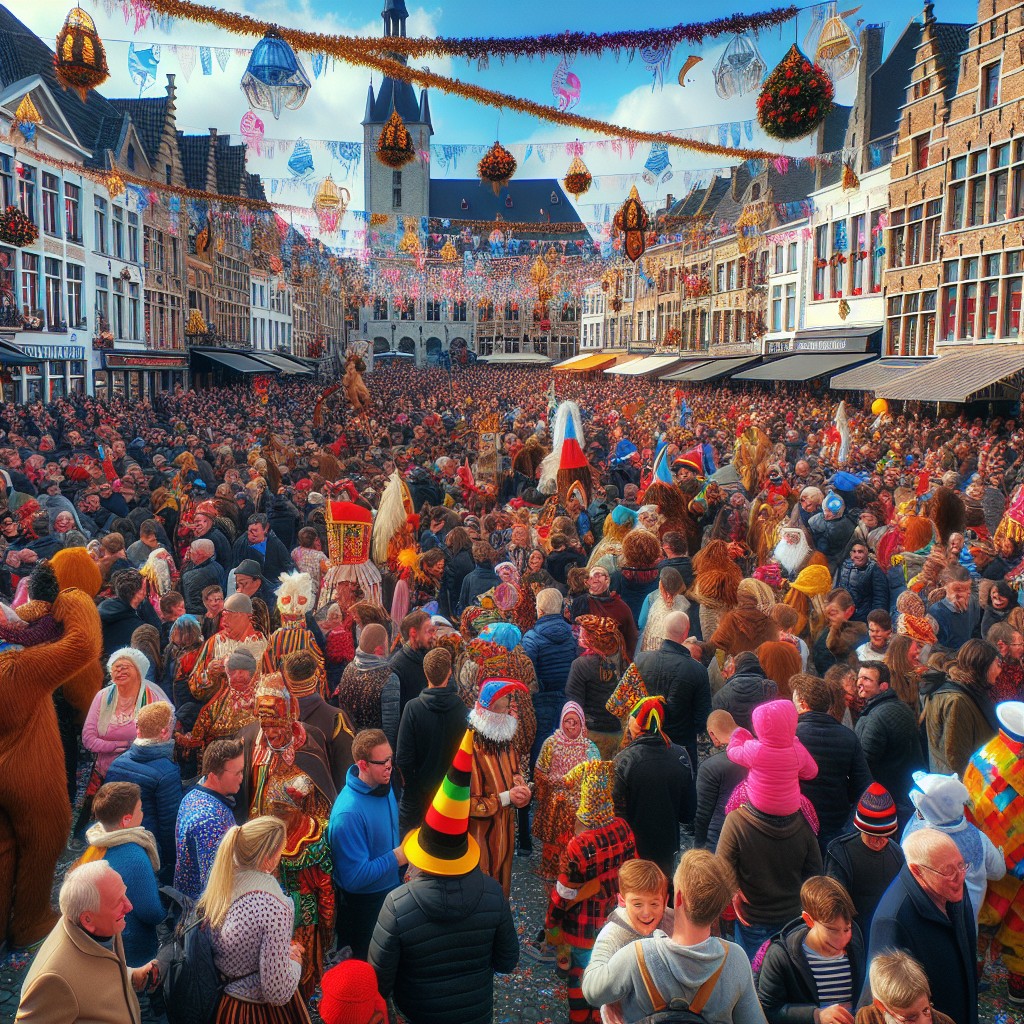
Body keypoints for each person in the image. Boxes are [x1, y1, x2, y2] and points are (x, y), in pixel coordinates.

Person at [369, 730, 519, 1024]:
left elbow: (379, 981)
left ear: (421, 856)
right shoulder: (492, 894)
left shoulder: (397, 906)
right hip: (477, 1014)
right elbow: (507, 960)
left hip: (418, 1013)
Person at [581, 849, 767, 1024]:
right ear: (719, 907)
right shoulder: (736, 959)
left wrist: (607, 938)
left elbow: (592, 991)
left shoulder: (635, 957)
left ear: (677, 898)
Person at [546, 760, 637, 1024]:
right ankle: (601, 1017)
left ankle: (579, 1017)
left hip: (582, 928)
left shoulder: (580, 845)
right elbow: (632, 870)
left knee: (580, 977)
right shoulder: (623, 828)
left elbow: (564, 893)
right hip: (615, 922)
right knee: (607, 976)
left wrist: (551, 921)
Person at [15, 861, 156, 1024]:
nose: (129, 906)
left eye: (124, 894)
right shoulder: (53, 980)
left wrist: (131, 975)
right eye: (118, 902)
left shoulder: (102, 925)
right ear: (88, 919)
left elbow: (94, 973)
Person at [861, 828, 978, 1024]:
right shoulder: (893, 920)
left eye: (961, 865)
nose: (959, 876)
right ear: (917, 870)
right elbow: (883, 998)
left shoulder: (953, 887)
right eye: (947, 870)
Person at [198, 815, 309, 1022]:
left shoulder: (221, 884)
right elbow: (278, 992)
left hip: (226, 1004)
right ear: (269, 857)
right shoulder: (274, 906)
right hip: (256, 1012)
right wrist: (295, 962)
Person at [717, 769, 823, 960]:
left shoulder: (736, 821)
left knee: (753, 978)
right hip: (794, 919)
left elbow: (721, 867)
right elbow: (815, 874)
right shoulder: (804, 820)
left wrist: (733, 891)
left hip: (752, 920)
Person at [327, 728, 405, 961]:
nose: (390, 766)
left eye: (391, 758)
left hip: (389, 892)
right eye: (382, 762)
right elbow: (354, 879)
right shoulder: (348, 814)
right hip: (363, 909)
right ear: (363, 764)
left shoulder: (383, 783)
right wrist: (396, 858)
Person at [902, 770, 1005, 931]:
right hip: (970, 926)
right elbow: (998, 872)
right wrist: (1000, 853)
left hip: (931, 926)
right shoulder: (978, 838)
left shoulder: (917, 842)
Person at [757, 876, 866, 1024]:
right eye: (832, 930)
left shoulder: (856, 940)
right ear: (809, 920)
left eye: (847, 929)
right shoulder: (780, 956)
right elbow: (768, 1009)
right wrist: (816, 1015)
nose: (842, 939)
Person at [79, 782, 165, 971]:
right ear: (126, 820)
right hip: (132, 950)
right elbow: (152, 913)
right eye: (140, 809)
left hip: (102, 944)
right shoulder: (134, 856)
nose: (142, 813)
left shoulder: (96, 844)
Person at [613, 695, 695, 878]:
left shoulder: (623, 761)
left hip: (634, 854)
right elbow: (688, 814)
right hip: (668, 852)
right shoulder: (681, 755)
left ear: (636, 723)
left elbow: (617, 817)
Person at [584, 860, 674, 1023]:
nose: (646, 913)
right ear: (622, 901)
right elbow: (591, 989)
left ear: (665, 901)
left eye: (654, 903)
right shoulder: (611, 934)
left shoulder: (673, 920)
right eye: (637, 904)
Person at [792, 674, 872, 855]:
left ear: (803, 704)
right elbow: (864, 785)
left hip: (798, 822)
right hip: (837, 824)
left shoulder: (792, 736)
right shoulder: (848, 736)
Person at [104, 701, 182, 885]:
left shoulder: (117, 763)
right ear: (164, 732)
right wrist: (172, 865)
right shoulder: (166, 772)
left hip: (117, 844)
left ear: (138, 729)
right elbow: (170, 826)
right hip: (150, 851)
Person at [395, 647, 468, 838]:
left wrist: (412, 787)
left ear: (425, 672)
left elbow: (403, 757)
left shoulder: (413, 708)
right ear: (450, 673)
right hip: (451, 793)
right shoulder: (461, 708)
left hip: (418, 794)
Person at [468, 679, 531, 897]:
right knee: (483, 893)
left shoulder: (504, 741)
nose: (509, 714)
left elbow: (515, 773)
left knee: (502, 892)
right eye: (504, 709)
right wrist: (506, 797)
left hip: (505, 835)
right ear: (491, 712)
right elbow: (468, 804)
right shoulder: (470, 749)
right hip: (481, 840)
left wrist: (521, 788)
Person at [627, 609, 710, 772]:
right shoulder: (697, 670)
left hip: (642, 747)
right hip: (681, 751)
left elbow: (629, 702)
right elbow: (702, 719)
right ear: (686, 632)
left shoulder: (641, 660)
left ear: (665, 630)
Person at [824, 784, 906, 942]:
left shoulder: (896, 853)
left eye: (884, 836)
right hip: (854, 938)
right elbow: (835, 905)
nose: (878, 842)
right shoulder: (840, 853)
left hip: (888, 938)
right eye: (871, 835)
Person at [531, 701, 599, 880]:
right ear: (561, 721)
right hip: (556, 806)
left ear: (582, 723)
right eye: (567, 721)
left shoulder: (589, 747)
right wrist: (555, 783)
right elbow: (539, 772)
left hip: (580, 809)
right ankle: (552, 873)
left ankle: (575, 876)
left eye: (575, 722)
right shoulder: (551, 743)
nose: (570, 726)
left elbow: (597, 777)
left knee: (577, 845)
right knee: (554, 843)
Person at [852, 662, 923, 829]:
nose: (859, 682)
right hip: (906, 790)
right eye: (859, 677)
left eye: (867, 679)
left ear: (883, 686)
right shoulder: (900, 707)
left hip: (889, 796)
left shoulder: (875, 717)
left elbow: (866, 761)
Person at [174, 739, 245, 901]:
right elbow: (215, 883)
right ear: (213, 776)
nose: (242, 778)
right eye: (237, 773)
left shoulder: (192, 796)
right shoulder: (210, 822)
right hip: (203, 913)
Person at [921, 637, 999, 777]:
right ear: (983, 666)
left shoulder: (970, 689)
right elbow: (956, 757)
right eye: (997, 664)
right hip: (966, 785)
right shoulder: (957, 701)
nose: (1000, 670)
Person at [727, 698, 818, 817]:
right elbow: (812, 772)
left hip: (759, 804)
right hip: (790, 807)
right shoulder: (797, 749)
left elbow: (732, 752)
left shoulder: (754, 749)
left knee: (738, 793)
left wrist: (739, 736)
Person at [521, 586, 579, 763]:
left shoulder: (531, 637)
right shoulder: (572, 634)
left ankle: (539, 783)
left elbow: (528, 671)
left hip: (543, 697)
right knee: (565, 739)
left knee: (541, 743)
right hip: (567, 695)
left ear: (540, 610)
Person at [565, 615, 628, 758]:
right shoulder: (623, 661)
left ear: (591, 638)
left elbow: (574, 702)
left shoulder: (581, 665)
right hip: (618, 733)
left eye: (583, 632)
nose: (579, 634)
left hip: (592, 736)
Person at [336, 623, 401, 750]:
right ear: (379, 649)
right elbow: (391, 727)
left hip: (354, 744)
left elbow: (343, 709)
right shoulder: (389, 678)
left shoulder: (348, 669)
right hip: (376, 749)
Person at [695, 710, 748, 852]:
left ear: (712, 734)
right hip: (752, 834)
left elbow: (702, 814)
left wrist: (698, 848)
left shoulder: (710, 767)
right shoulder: (756, 753)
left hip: (719, 838)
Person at [855, 950, 955, 1024]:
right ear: (881, 1006)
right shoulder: (866, 1019)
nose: (924, 1022)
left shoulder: (943, 1022)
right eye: (910, 1018)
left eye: (926, 1011)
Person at [390, 609, 436, 715]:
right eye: (430, 631)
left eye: (434, 631)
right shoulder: (397, 666)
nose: (434, 636)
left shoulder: (431, 657)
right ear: (413, 633)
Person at [927, 565, 980, 651]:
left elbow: (976, 631)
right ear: (945, 585)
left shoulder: (972, 603)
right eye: (958, 590)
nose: (963, 594)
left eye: (966, 589)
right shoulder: (936, 613)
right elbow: (932, 646)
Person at [835, 543, 889, 625]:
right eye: (854, 551)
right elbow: (836, 589)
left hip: (862, 621)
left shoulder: (874, 569)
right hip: (843, 617)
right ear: (851, 554)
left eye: (860, 552)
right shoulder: (845, 565)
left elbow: (880, 598)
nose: (857, 555)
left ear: (867, 553)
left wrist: (875, 621)